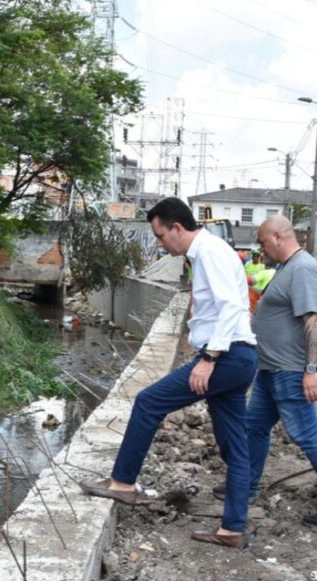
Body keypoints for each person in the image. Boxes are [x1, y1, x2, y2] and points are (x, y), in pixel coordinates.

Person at [79, 197, 258, 549]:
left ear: (177, 227)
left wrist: (208, 358)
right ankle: (232, 529)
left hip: (227, 357)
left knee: (148, 402)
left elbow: (232, 307)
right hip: (237, 357)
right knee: (235, 446)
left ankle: (123, 484)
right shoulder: (206, 253)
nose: (160, 244)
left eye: (161, 236)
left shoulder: (210, 251)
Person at [242, 215, 317, 530]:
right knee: (255, 428)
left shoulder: (303, 268)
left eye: (263, 242)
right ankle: (245, 488)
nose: (260, 250)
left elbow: (313, 320)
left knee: (307, 435)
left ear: (278, 236)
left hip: (289, 371)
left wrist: (311, 370)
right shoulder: (286, 268)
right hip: (269, 369)